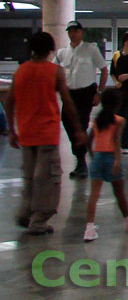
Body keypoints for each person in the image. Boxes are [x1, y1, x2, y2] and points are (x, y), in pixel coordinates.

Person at [3, 31, 86, 235]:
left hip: (26, 133)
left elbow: (9, 101)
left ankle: (26, 212)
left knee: (30, 176)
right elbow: (67, 102)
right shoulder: (55, 71)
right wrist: (77, 129)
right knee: (48, 179)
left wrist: (12, 131)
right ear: (50, 50)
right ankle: (39, 220)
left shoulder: (20, 71)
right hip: (47, 133)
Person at [82, 88, 128, 242]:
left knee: (94, 195)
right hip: (111, 158)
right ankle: (127, 218)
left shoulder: (97, 121)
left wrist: (92, 156)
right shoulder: (119, 120)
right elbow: (116, 141)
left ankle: (89, 228)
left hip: (97, 158)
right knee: (119, 193)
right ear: (118, 104)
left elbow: (88, 142)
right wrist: (117, 160)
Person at [55, 19, 108, 178]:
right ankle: (80, 156)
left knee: (81, 124)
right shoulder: (62, 52)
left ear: (81, 32)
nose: (73, 34)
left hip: (86, 93)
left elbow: (104, 69)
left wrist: (99, 92)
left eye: (76, 31)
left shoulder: (90, 49)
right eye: (70, 31)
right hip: (69, 94)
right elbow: (53, 70)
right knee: (69, 123)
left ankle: (81, 161)